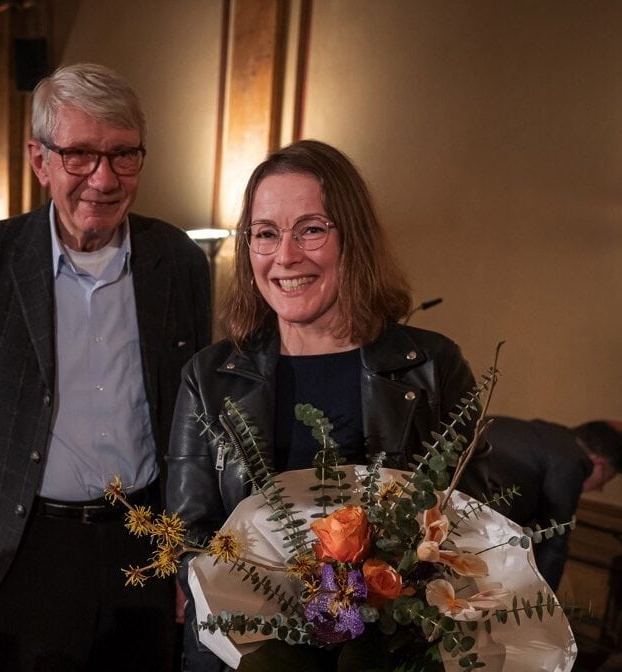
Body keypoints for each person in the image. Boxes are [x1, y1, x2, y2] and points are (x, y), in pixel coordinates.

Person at [0, 62, 211, 672]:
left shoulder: (179, 261)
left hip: (145, 545)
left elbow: (198, 428)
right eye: (79, 154)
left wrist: (193, 557)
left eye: (122, 155)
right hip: (27, 552)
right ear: (39, 159)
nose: (102, 179)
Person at [166, 140, 488, 671]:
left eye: (311, 229)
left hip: (389, 653)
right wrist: (279, 603)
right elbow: (187, 534)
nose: (286, 256)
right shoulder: (210, 375)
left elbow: (474, 527)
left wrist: (379, 595)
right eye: (266, 234)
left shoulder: (430, 365)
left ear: (353, 238)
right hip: (244, 653)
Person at [482, 416, 622, 592]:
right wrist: (542, 605)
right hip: (481, 515)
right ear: (599, 464)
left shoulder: (546, 433)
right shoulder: (572, 461)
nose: (599, 488)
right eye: (604, 480)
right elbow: (554, 542)